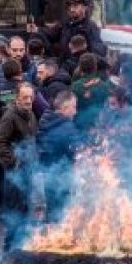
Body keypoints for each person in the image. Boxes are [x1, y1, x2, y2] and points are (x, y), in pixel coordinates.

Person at [0, 83, 39, 251]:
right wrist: (13, 162)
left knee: (26, 209)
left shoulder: (30, 114)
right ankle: (9, 249)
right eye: (25, 97)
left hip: (28, 170)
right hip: (15, 174)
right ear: (17, 98)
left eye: (31, 97)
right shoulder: (10, 116)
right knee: (14, 212)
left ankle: (21, 247)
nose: (28, 101)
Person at [36, 89, 83, 222]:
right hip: (62, 177)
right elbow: (79, 150)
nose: (76, 111)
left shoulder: (46, 118)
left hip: (47, 174)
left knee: (51, 211)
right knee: (62, 214)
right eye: (74, 107)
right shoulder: (67, 127)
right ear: (64, 108)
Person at [28, 0, 106, 58]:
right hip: (62, 62)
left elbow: (98, 50)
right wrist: (37, 30)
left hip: (78, 64)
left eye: (75, 6)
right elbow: (51, 33)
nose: (71, 10)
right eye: (69, 7)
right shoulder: (66, 24)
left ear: (84, 8)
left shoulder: (90, 27)